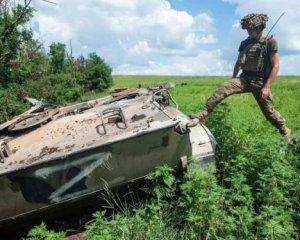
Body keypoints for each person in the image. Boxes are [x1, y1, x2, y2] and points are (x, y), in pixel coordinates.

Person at [190, 13, 291, 138]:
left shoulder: (270, 42)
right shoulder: (245, 43)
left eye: (251, 29)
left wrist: (267, 87)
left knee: (269, 112)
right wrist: (232, 80)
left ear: (259, 28)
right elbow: (238, 62)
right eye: (247, 29)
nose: (248, 31)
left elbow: (275, 66)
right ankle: (203, 114)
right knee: (223, 88)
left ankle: (284, 130)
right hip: (244, 78)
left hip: (259, 82)